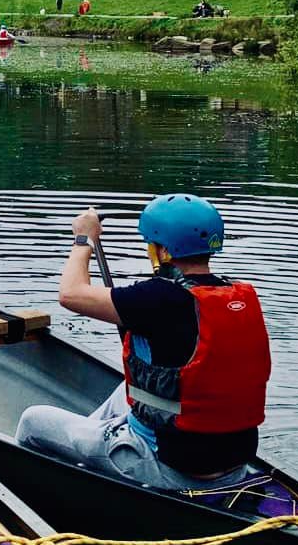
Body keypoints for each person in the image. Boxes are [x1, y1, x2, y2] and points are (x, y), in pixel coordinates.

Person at [15, 195, 271, 489]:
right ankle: (91, 442)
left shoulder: (158, 298)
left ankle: (59, 487)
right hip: (232, 464)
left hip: (169, 467)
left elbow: (71, 294)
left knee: (32, 421)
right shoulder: (237, 296)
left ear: (162, 250)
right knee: (124, 387)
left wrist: (84, 238)